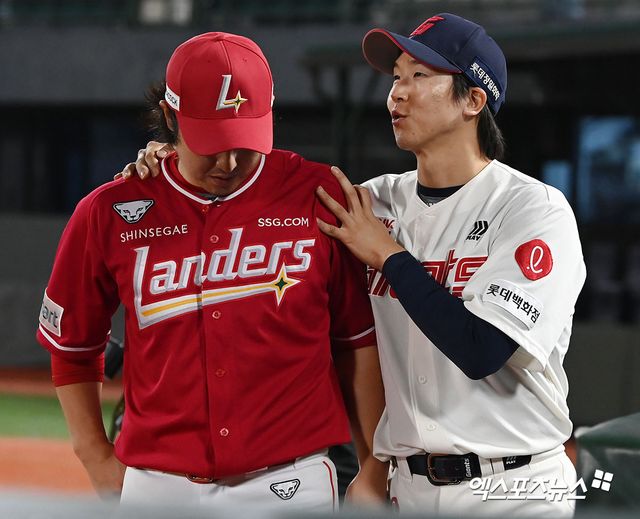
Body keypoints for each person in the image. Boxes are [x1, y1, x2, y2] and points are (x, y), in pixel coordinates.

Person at [127, 14, 586, 516]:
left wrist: (389, 256)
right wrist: (179, 158)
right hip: (406, 487)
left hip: (515, 484)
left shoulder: (531, 209)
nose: (396, 94)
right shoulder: (372, 203)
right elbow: (254, 199)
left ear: (473, 100)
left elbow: (482, 350)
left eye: (419, 76)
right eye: (396, 76)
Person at [37, 32, 387, 514]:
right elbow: (73, 349)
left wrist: (373, 465)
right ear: (170, 118)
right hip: (157, 486)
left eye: (244, 144)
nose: (228, 162)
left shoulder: (319, 195)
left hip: (291, 482)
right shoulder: (111, 211)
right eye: (212, 144)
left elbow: (358, 342)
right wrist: (95, 456)